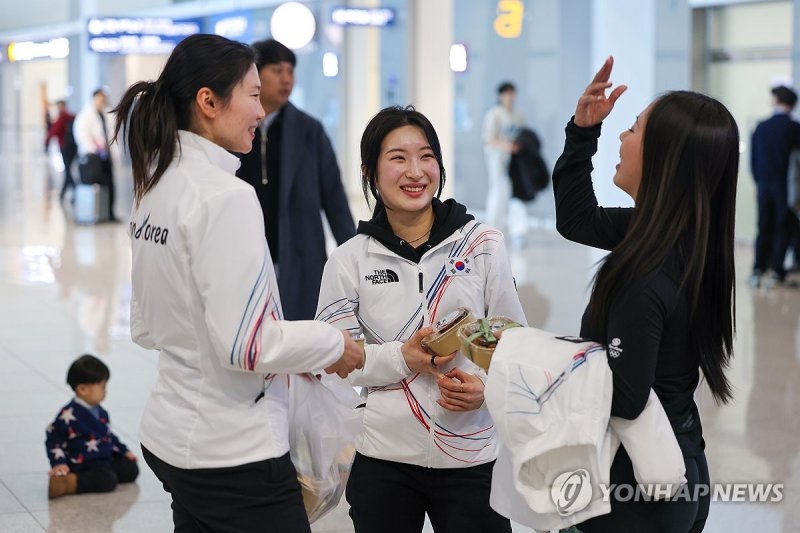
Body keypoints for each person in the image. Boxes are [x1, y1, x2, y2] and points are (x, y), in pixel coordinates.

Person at [111, 34, 363, 532]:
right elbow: (249, 346)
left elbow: (144, 328)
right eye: (251, 94)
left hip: (169, 434)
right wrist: (333, 344)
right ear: (208, 101)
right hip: (231, 453)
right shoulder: (225, 195)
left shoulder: (156, 184)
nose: (259, 109)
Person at [316, 105, 527, 533]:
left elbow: (514, 341)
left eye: (426, 156)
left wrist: (485, 389)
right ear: (370, 172)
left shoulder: (481, 245)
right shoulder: (348, 260)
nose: (415, 171)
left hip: (472, 456)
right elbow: (335, 365)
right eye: (398, 158)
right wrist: (402, 358)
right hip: (383, 459)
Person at [552, 56, 738, 532]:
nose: (621, 136)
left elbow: (624, 398)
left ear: (662, 158)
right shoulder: (678, 238)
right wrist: (582, 132)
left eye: (632, 129)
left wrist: (531, 366)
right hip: (678, 468)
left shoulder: (646, 270)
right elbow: (577, 219)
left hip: (635, 492)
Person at [236, 38, 355, 320]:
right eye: (277, 70)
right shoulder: (234, 128)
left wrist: (353, 253)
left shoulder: (309, 131)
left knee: (300, 332)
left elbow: (334, 196)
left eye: (290, 71)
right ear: (255, 74)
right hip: (246, 251)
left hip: (299, 251)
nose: (286, 79)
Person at [45, 354, 139, 499]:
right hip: (85, 463)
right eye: (102, 387)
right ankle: (68, 482)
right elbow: (53, 439)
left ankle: (107, 472)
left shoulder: (100, 411)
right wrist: (59, 463)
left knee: (130, 469)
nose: (105, 391)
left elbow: (108, 436)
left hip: (104, 456)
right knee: (107, 480)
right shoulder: (68, 415)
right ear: (82, 389)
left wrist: (123, 450)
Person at [750, 85, 800, 287]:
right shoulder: (794, 128)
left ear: (778, 100)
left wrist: (758, 181)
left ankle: (758, 268)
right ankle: (777, 271)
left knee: (763, 225)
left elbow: (753, 160)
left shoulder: (761, 127)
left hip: (763, 183)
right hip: (786, 185)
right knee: (783, 226)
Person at [482, 81, 528, 243]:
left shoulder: (518, 115)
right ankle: (493, 230)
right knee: (499, 192)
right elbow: (489, 139)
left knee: (517, 194)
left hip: (516, 161)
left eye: (512, 93)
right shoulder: (494, 114)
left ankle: (518, 231)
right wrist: (507, 146)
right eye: (507, 93)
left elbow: (525, 136)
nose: (510, 97)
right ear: (500, 95)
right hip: (498, 159)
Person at [73, 87, 117, 221]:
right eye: (99, 98)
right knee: (95, 185)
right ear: (94, 98)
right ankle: (95, 213)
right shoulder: (85, 116)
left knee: (110, 184)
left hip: (106, 156)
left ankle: (109, 213)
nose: (102, 101)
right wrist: (94, 148)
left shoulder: (106, 114)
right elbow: (81, 136)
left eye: (104, 98)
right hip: (92, 157)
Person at [45, 100, 78, 202]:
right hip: (73, 148)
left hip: (65, 147)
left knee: (67, 171)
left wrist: (46, 143)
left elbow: (53, 131)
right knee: (68, 170)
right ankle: (63, 194)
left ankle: (75, 191)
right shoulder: (72, 117)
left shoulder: (62, 118)